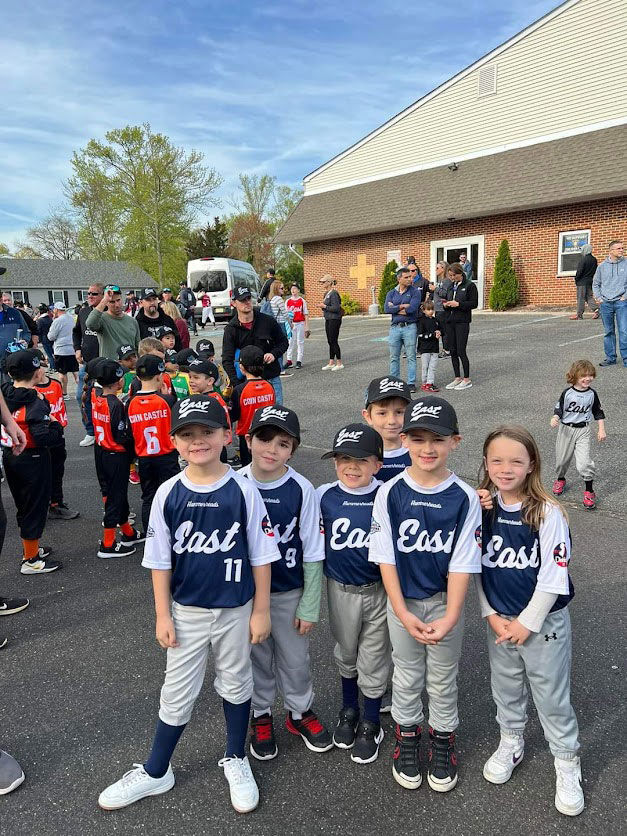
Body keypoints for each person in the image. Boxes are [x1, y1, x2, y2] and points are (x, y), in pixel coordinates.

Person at [98, 394, 281, 814]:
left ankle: (236, 758)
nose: (198, 441)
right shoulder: (167, 493)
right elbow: (160, 561)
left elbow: (261, 554)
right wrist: (162, 614)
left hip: (235, 607)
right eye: (187, 434)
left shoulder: (243, 488)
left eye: (207, 432)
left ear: (227, 435)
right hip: (187, 611)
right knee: (177, 691)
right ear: (174, 441)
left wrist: (261, 610)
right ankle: (157, 770)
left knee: (236, 682)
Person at [369, 396, 481, 792]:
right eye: (417, 438)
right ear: (405, 440)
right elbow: (385, 559)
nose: (427, 448)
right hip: (402, 603)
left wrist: (450, 615)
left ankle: (444, 737)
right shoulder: (391, 492)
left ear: (456, 441)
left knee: (443, 677)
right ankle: (407, 735)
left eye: (437, 438)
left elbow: (463, 563)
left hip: (443, 604)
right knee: (407, 673)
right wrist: (400, 610)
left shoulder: (464, 496)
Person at [476, 426, 583, 817]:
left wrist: (528, 621)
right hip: (500, 622)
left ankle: (566, 759)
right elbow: (475, 568)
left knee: (551, 695)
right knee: (505, 688)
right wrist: (490, 613)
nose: (505, 469)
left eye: (516, 461)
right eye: (497, 460)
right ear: (486, 463)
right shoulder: (480, 510)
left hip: (543, 624)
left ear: (532, 464)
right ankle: (511, 740)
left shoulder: (547, 512)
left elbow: (554, 576)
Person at [241, 405, 331, 760]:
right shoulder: (234, 484)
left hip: (289, 592)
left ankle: (299, 711)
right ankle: (260, 713)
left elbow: (312, 548)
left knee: (295, 660)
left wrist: (310, 602)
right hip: (246, 595)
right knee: (256, 659)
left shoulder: (300, 488)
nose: (271, 449)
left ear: (292, 450)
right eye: (263, 438)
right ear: (248, 440)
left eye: (282, 444)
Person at [318, 423, 390, 764]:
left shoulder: (388, 494)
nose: (351, 466)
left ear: (378, 464)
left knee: (374, 657)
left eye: (361, 460)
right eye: (344, 458)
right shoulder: (323, 496)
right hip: (340, 589)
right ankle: (349, 708)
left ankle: (371, 719)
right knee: (346, 652)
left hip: (380, 590)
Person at [1, 349, 63, 575]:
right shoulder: (35, 402)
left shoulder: (6, 392)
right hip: (33, 457)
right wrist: (55, 426)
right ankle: (31, 559)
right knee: (35, 507)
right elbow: (43, 436)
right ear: (37, 373)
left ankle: (30, 549)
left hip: (11, 456)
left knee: (24, 505)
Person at [91, 359, 144, 558]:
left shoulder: (97, 397)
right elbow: (121, 434)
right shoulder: (115, 404)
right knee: (115, 496)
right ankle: (108, 543)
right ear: (119, 381)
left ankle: (128, 533)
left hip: (101, 451)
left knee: (115, 494)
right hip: (115, 454)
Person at [126, 355, 179, 534]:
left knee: (149, 497)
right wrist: (167, 396)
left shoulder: (131, 402)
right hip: (167, 456)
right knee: (171, 496)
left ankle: (152, 535)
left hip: (144, 457)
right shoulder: (167, 400)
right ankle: (173, 532)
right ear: (159, 376)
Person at [550, 359, 606, 509]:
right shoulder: (567, 393)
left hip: (583, 431)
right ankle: (561, 479)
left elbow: (598, 412)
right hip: (566, 430)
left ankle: (589, 491)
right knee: (562, 461)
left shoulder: (592, 394)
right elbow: (559, 409)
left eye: (590, 375)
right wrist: (555, 417)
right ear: (574, 376)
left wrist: (601, 429)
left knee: (584, 463)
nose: (588, 379)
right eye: (583, 376)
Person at [222, 286, 288, 405]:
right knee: (250, 420)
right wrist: (237, 385)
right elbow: (227, 359)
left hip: (270, 378)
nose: (247, 302)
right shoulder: (231, 329)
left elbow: (283, 342)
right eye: (242, 300)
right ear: (234, 303)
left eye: (248, 298)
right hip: (245, 383)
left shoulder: (268, 321)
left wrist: (274, 354)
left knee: (276, 417)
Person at [35, 352, 79, 520]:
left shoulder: (55, 384)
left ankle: (56, 503)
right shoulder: (30, 390)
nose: (39, 371)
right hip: (41, 437)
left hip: (57, 435)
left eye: (41, 365)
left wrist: (60, 427)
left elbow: (60, 407)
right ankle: (44, 504)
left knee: (57, 470)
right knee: (42, 473)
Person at [230, 346, 276, 467]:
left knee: (248, 467)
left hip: (247, 435)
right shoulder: (269, 386)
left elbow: (234, 415)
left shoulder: (240, 390)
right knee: (265, 463)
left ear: (242, 367)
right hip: (266, 432)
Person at [362, 376, 412, 483]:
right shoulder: (360, 453)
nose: (391, 421)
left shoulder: (420, 453)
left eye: (399, 412)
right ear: (368, 417)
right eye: (382, 413)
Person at [73, 283, 104, 446]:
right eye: (88, 293)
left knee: (102, 400)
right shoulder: (84, 312)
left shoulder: (108, 312)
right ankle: (90, 431)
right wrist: (77, 349)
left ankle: (104, 431)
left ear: (103, 295)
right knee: (81, 397)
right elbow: (76, 331)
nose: (90, 296)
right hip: (86, 365)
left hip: (105, 365)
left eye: (94, 293)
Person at [384, 267, 421, 390]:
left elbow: (412, 309)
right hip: (394, 328)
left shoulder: (415, 292)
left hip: (409, 327)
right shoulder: (391, 293)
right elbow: (387, 309)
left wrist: (395, 308)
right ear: (399, 279)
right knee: (394, 357)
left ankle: (411, 383)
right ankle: (395, 383)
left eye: (410, 277)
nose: (410, 279)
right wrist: (402, 306)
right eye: (406, 277)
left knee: (411, 356)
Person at [443, 263, 478, 390]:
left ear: (460, 273)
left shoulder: (470, 285)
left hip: (462, 321)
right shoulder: (451, 286)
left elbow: (474, 303)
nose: (452, 278)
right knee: (452, 350)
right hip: (450, 321)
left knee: (461, 350)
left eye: (454, 275)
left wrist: (459, 304)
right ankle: (457, 377)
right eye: (450, 275)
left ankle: (466, 378)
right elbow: (446, 300)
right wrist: (446, 305)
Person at [592, 239, 627, 367]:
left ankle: (626, 359)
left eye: (622, 248)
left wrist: (625, 297)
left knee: (624, 331)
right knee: (608, 331)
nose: (622, 250)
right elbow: (596, 284)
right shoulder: (602, 267)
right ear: (611, 251)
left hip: (621, 302)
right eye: (619, 248)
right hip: (605, 303)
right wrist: (599, 298)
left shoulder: (626, 264)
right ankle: (610, 357)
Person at [86, 285, 140, 360]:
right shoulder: (102, 319)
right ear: (106, 303)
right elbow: (90, 324)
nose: (117, 305)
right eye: (112, 302)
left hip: (130, 368)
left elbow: (138, 347)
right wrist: (104, 300)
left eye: (118, 300)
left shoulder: (132, 321)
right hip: (109, 367)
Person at [47, 302, 78, 399]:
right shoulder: (71, 318)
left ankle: (65, 393)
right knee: (75, 371)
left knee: (62, 373)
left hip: (61, 350)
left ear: (56, 310)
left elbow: (51, 337)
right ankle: (82, 389)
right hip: (72, 348)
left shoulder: (57, 321)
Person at [319, 275, 344, 371]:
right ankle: (331, 362)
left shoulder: (334, 293)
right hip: (328, 318)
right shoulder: (326, 294)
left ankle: (339, 362)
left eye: (323, 282)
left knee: (333, 340)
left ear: (329, 282)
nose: (322, 284)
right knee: (330, 340)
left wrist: (325, 307)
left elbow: (336, 307)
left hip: (334, 319)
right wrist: (323, 306)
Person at [268, 279, 292, 376]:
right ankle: (281, 369)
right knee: (281, 345)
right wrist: (290, 323)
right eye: (281, 288)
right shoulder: (278, 299)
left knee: (275, 346)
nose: (283, 290)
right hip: (280, 324)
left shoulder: (272, 299)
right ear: (276, 289)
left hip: (273, 324)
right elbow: (285, 313)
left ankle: (278, 368)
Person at [570, 245, 599, 320]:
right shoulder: (594, 259)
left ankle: (579, 315)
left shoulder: (583, 259)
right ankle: (597, 310)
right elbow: (595, 271)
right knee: (589, 296)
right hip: (590, 281)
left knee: (581, 298)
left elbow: (579, 271)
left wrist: (576, 279)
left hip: (582, 282)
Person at [285, 285, 310, 369]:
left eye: (295, 289)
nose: (293, 290)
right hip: (291, 324)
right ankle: (289, 360)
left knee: (300, 342)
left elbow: (305, 314)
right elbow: (285, 314)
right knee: (290, 342)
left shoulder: (302, 301)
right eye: (292, 289)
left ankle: (299, 360)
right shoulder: (287, 301)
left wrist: (307, 327)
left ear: (298, 290)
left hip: (300, 323)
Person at [418, 301, 441, 392]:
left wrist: (440, 332)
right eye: (428, 309)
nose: (431, 311)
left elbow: (441, 329)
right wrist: (432, 335)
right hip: (425, 348)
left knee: (433, 366)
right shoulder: (421, 321)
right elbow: (420, 335)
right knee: (425, 366)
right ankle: (424, 382)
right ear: (423, 310)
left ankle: (430, 383)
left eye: (432, 309)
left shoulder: (436, 321)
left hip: (434, 348)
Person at [433, 261, 451, 356]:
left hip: (443, 309)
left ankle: (447, 350)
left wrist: (435, 289)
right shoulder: (440, 280)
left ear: (443, 269)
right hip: (438, 309)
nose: (436, 270)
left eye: (438, 268)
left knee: (444, 330)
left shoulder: (446, 280)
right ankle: (445, 349)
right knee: (441, 329)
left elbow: (445, 294)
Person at [36, 303, 56, 370]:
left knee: (49, 354)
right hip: (51, 338)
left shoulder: (40, 320)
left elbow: (38, 330)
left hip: (44, 339)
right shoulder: (50, 319)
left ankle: (53, 367)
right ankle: (54, 366)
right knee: (52, 353)